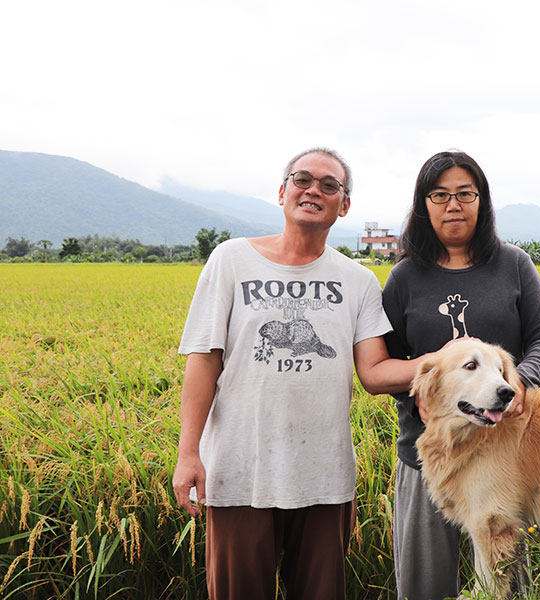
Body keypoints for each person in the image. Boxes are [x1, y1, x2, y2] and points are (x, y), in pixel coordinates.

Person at [172, 147, 423, 600]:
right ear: (282, 191)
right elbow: (203, 360)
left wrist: (452, 360)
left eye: (330, 185)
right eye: (302, 179)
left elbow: (374, 372)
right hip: (238, 472)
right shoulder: (231, 260)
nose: (313, 190)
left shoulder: (358, 280)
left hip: (324, 476)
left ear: (343, 205)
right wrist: (188, 453)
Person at [383, 150, 540, 600]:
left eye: (465, 193)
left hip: (508, 451)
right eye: (440, 195)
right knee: (426, 584)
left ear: (481, 201)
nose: (453, 205)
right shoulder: (405, 277)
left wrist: (521, 379)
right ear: (423, 204)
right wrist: (419, 390)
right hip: (429, 455)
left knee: (503, 578)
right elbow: (385, 363)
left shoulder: (513, 265)